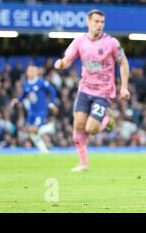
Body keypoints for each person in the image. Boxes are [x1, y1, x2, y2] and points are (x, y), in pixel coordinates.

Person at [53, 9, 130, 172]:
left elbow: (123, 63)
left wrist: (123, 87)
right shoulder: (80, 41)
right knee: (78, 125)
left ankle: (107, 120)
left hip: (103, 92)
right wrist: (60, 64)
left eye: (102, 22)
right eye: (96, 21)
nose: (99, 25)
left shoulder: (112, 43)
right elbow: (67, 60)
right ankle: (83, 163)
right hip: (84, 89)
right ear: (88, 22)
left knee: (91, 129)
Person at [10, 65, 58, 153]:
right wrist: (17, 100)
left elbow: (52, 90)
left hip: (41, 111)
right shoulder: (26, 84)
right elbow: (24, 94)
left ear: (36, 73)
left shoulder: (41, 82)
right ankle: (44, 151)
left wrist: (51, 103)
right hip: (32, 112)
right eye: (29, 71)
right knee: (30, 132)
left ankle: (50, 128)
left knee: (34, 129)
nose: (30, 73)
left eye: (32, 71)